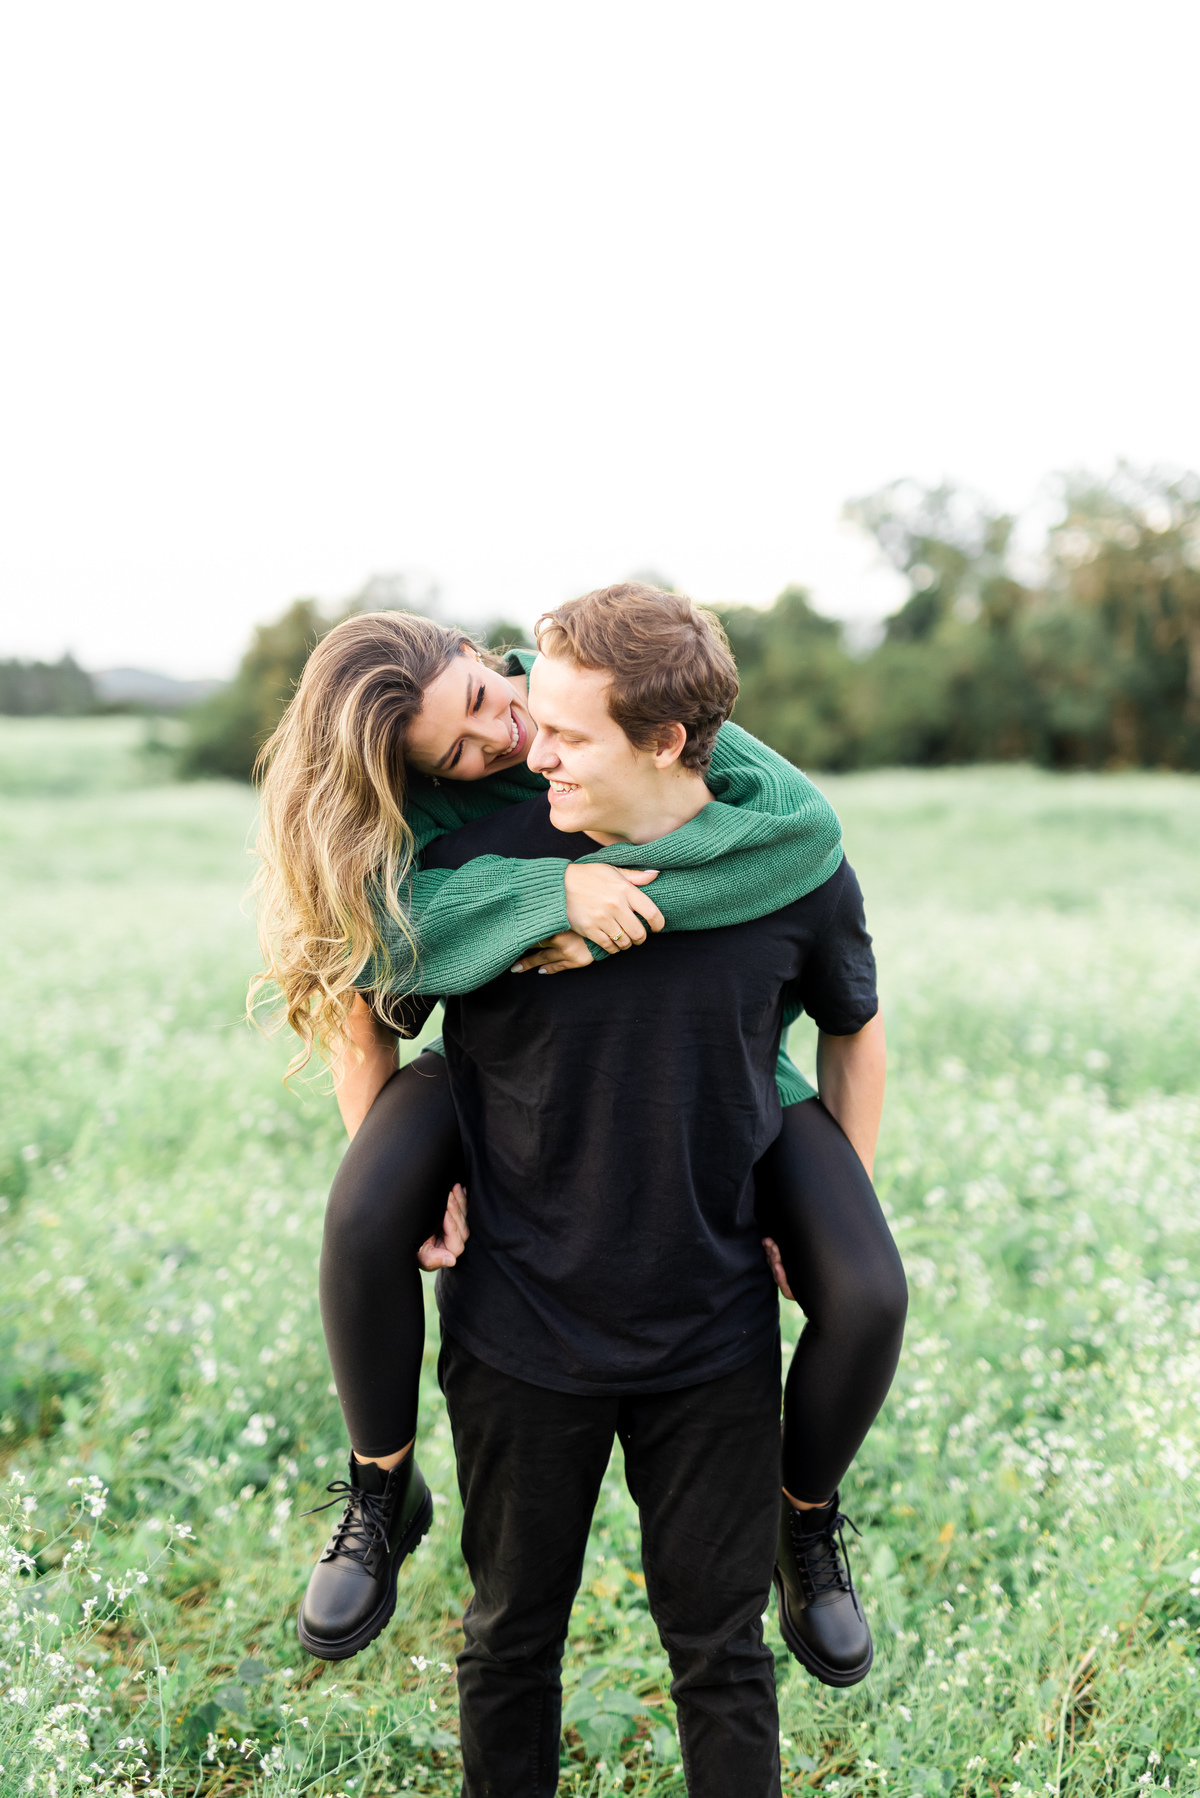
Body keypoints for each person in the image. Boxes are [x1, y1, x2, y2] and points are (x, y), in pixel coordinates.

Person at [250, 591, 906, 1683]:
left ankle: (804, 1518)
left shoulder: (594, 695)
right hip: (501, 1059)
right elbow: (372, 967)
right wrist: (545, 896)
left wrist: (615, 913)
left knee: (870, 1291)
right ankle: (381, 1485)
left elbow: (795, 834)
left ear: (478, 651)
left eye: (483, 698)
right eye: (460, 751)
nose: (506, 737)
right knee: (364, 1216)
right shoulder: (424, 807)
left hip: (725, 1062)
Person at [420, 586, 890, 1794]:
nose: (531, 749)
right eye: (536, 720)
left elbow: (853, 1023)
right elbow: (363, 997)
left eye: (568, 735)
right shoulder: (482, 862)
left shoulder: (789, 874)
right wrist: (405, 1181)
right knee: (508, 1641)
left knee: (723, 1655)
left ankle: (807, 1529)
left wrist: (821, 1211)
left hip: (711, 1333)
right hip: (517, 1328)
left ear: (668, 740)